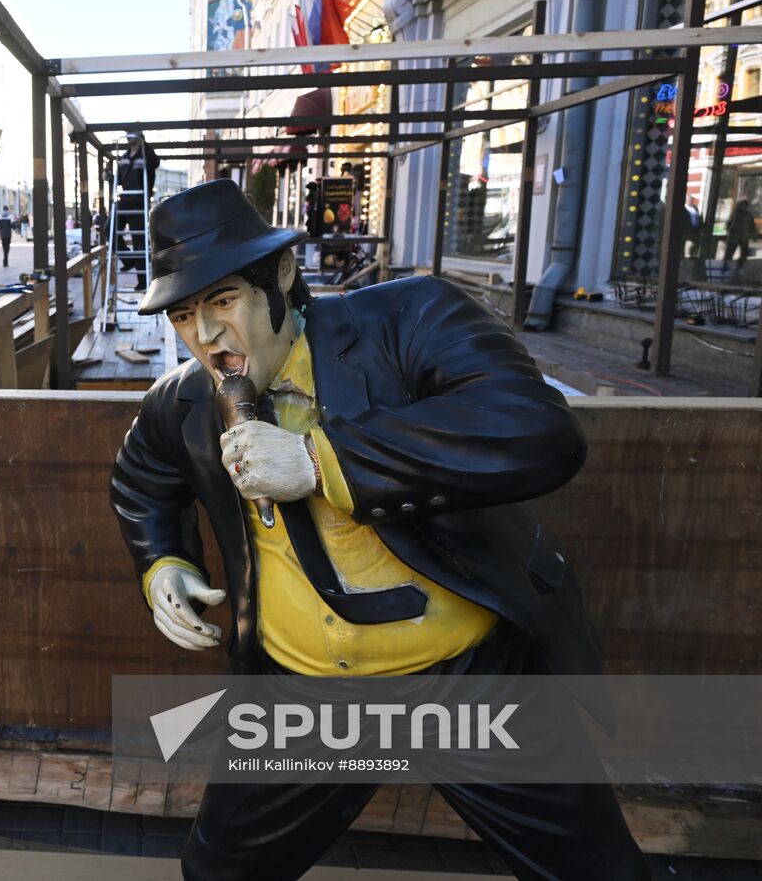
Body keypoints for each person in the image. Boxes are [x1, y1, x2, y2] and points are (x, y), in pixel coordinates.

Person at [109, 178, 650, 880]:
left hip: (461, 679)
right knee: (220, 871)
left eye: (222, 301)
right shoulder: (183, 399)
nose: (206, 336)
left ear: (282, 274)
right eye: (183, 314)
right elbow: (141, 478)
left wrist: (320, 459)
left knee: (595, 872)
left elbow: (537, 426)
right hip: (305, 694)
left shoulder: (407, 320)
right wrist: (164, 563)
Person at [113, 130, 162, 288]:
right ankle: (129, 259)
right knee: (109, 230)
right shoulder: (125, 156)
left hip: (139, 202)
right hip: (125, 200)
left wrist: (144, 144)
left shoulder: (146, 155)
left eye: (133, 135)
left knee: (139, 242)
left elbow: (155, 162)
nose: (129, 138)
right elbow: (119, 178)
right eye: (128, 135)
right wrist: (109, 177)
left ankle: (142, 281)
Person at [723, 198, 754, 283]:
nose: (745, 207)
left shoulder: (748, 214)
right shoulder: (735, 214)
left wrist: (751, 235)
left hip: (744, 238)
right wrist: (730, 233)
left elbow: (752, 226)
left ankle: (738, 268)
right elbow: (728, 225)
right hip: (734, 238)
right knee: (728, 255)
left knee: (744, 254)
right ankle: (724, 271)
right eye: (743, 205)